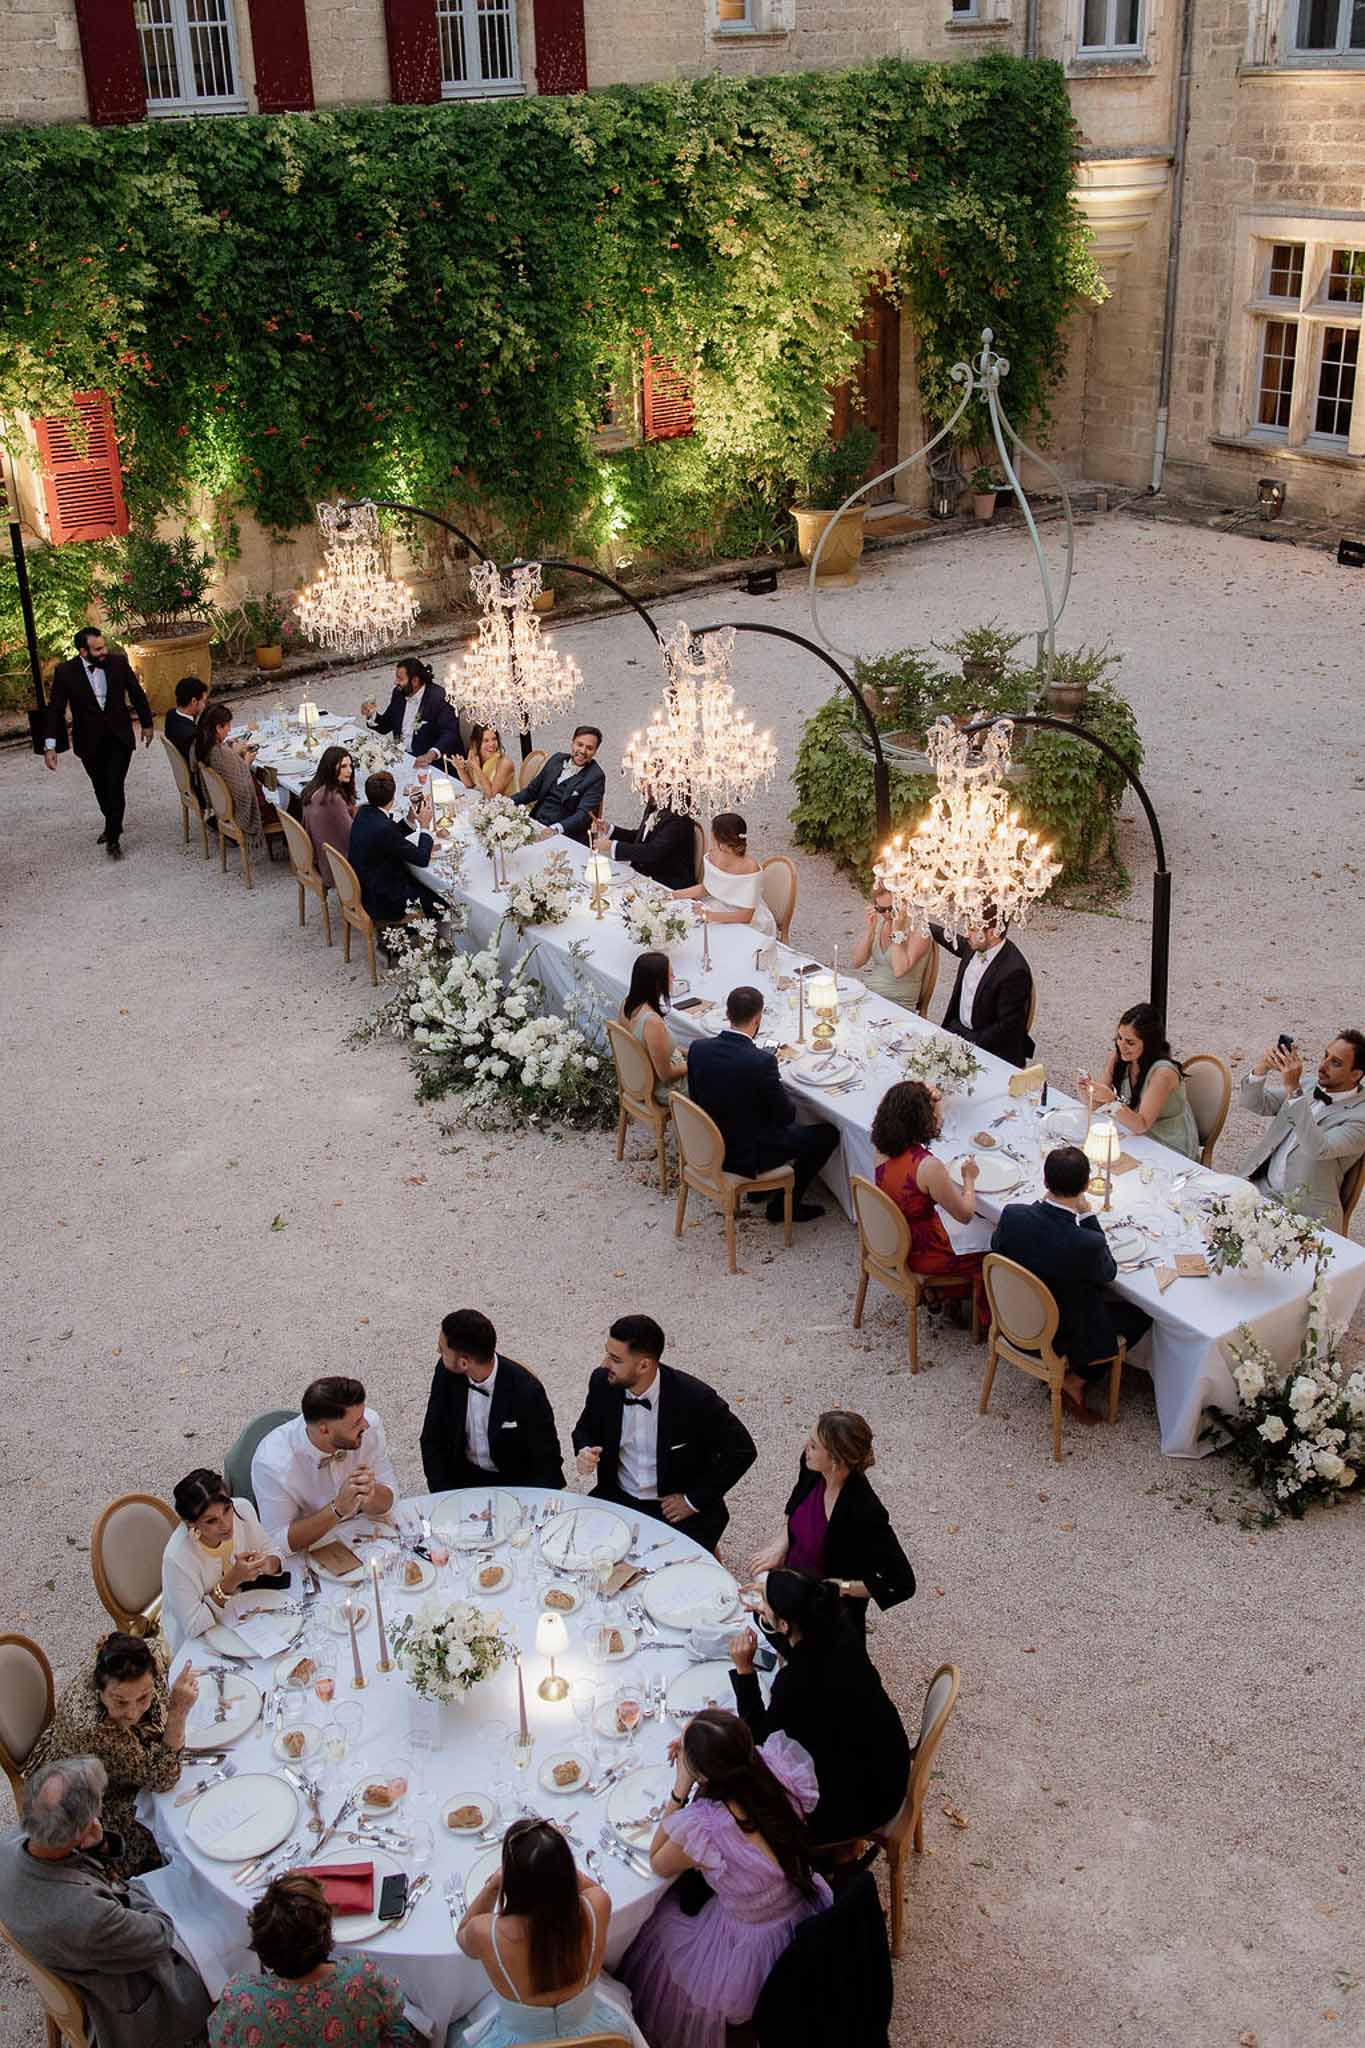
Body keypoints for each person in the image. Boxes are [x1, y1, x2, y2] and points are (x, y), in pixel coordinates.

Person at [618, 1709, 830, 2048]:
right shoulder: (771, 1769)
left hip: (752, 1950)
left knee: (657, 1925)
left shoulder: (709, 1828)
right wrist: (699, 1747)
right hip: (804, 1907)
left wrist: (679, 1788)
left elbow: (658, 1860)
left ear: (704, 1775)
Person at [0, 1758, 212, 2048]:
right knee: (220, 1925)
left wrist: (98, 1846)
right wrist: (124, 1885)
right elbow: (160, 1934)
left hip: (71, 1946)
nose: (100, 1814)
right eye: (95, 1813)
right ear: (80, 1833)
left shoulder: (13, 1843)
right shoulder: (85, 1915)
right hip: (132, 2003)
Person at [727, 1569, 911, 1845]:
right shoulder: (840, 1628)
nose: (761, 1605)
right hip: (889, 1763)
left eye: (765, 1603)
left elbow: (761, 1740)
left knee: (747, 1796)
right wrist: (764, 1613)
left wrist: (744, 1672)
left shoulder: (795, 1683)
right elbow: (800, 1644)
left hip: (863, 1804)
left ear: (787, 1623)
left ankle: (815, 1862)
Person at [990, 1144, 1152, 1420]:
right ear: (1086, 1185)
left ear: (1044, 1181)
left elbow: (998, 1247)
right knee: (1142, 1314)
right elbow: (1108, 1272)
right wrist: (1088, 1216)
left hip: (1010, 1321)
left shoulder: (1013, 1215)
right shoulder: (1087, 1242)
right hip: (1053, 1338)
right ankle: (1078, 1378)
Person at [572, 1314, 756, 1555]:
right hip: (618, 1495)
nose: (605, 1363)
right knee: (585, 1558)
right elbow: (585, 1428)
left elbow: (742, 1450)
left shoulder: (695, 1398)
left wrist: (692, 1500)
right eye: (608, 1353)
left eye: (615, 1359)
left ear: (644, 1365)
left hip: (674, 1509)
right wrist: (584, 1449)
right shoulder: (603, 1382)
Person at [455, 1818, 645, 2047]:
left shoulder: (485, 1932)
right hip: (596, 2038)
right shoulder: (598, 1905)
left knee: (455, 2026)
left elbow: (462, 1934)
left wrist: (494, 1885)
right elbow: (590, 1888)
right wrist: (556, 1868)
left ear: (512, 1880)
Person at [26, 1637, 197, 1880]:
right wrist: (177, 1712)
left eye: (143, 1698)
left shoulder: (145, 1659)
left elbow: (154, 1646)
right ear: (100, 1691)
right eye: (120, 1701)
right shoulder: (94, 1728)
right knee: (172, 1827)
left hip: (111, 1758)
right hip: (82, 1794)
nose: (133, 1713)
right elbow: (161, 1776)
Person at [748, 1411, 916, 1640]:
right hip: (792, 1584)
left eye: (815, 1445)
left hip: (825, 1611)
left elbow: (902, 1583)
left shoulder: (865, 1513)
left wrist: (843, 1587)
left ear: (836, 1460)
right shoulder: (812, 1466)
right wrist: (781, 1543)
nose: (806, 1446)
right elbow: (797, 1501)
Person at [687, 986, 840, 1225]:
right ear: (758, 1018)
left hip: (708, 1142)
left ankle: (761, 1191)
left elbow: (695, 1098)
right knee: (828, 1134)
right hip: (745, 1155)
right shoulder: (762, 1062)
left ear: (727, 1014)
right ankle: (783, 1206)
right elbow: (787, 1116)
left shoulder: (698, 1049)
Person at [209, 1872, 418, 2046]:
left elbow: (218, 2039)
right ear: (326, 1932)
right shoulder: (361, 1977)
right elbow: (394, 2013)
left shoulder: (241, 1999)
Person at [871, 1078, 986, 1312]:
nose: (938, 1118)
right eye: (934, 1115)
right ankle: (977, 1311)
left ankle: (942, 1295)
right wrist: (969, 1180)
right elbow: (965, 1215)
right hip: (925, 1251)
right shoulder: (927, 1167)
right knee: (994, 1241)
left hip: (895, 1239)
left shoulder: (881, 1149)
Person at [420, 1308, 565, 1494]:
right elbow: (431, 1439)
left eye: (442, 1349)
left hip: (514, 1485)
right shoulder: (445, 1373)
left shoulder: (527, 1391)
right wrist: (443, 1494)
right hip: (462, 1480)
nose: (438, 1351)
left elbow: (548, 1460)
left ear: (464, 1363)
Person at [251, 1375, 397, 1558]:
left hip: (366, 1539)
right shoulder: (272, 1462)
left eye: (363, 1415)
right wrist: (337, 1509)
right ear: (324, 1430)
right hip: (308, 1551)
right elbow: (277, 1542)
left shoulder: (370, 1426)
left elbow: (390, 1500)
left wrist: (372, 1494)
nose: (365, 1424)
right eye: (356, 1422)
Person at [43, 626, 154, 860]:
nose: (104, 651)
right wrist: (50, 746)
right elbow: (55, 711)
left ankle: (113, 838)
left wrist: (147, 723)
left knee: (115, 785)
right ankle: (112, 821)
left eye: (104, 646)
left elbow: (136, 693)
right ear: (83, 652)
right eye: (98, 649)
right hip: (89, 741)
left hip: (119, 737)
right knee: (100, 787)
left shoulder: (118, 662)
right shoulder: (65, 672)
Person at [1238, 1029, 1365, 1231]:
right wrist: (1263, 1067)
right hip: (1260, 1191)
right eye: (1326, 1055)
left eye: (1336, 1063)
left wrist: (1293, 1089)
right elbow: (1252, 1103)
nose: (1322, 1066)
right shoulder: (1308, 1086)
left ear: (1356, 1074)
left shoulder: (1360, 1118)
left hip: (1305, 1216)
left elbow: (1318, 1148)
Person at [160, 1467, 283, 1653]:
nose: (226, 1524)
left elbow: (274, 1552)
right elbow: (192, 1626)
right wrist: (230, 1582)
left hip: (245, 1618)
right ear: (191, 1523)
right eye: (211, 1521)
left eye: (227, 1510)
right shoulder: (177, 1557)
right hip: (198, 1642)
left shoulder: (242, 1509)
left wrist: (267, 1564)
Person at [1079, 1004, 1199, 1160]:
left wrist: (1111, 1101)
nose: (1122, 1046)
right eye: (1120, 1038)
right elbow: (1098, 1106)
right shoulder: (1118, 1058)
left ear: (1148, 1043)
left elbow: (1141, 1125)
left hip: (1167, 1143)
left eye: (1130, 1042)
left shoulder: (1162, 1074)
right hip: (1132, 1133)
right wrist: (1086, 1090)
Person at [931, 912, 1035, 1069]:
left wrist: (967, 1044)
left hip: (991, 1050)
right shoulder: (976, 946)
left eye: (972, 929)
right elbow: (955, 941)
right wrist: (925, 924)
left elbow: (1008, 1026)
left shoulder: (1014, 971)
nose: (967, 933)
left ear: (993, 933)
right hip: (957, 1031)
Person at [347, 768, 445, 922]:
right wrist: (425, 827)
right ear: (392, 798)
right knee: (441, 904)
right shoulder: (384, 828)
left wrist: (410, 818)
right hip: (383, 899)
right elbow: (421, 859)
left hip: (366, 885)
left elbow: (390, 836)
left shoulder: (364, 812)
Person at [670, 813, 776, 935]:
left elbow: (746, 916)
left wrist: (708, 915)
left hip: (746, 920)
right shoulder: (712, 856)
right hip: (717, 907)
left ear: (719, 841)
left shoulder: (750, 867)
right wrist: (674, 895)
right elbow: (707, 889)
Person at [509, 725, 606, 844]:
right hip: (536, 822)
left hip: (566, 835)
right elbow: (531, 791)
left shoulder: (596, 776)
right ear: (572, 743)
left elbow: (583, 816)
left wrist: (555, 829)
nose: (582, 751)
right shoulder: (556, 759)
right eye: (579, 744)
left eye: (589, 748)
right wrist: (506, 803)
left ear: (595, 751)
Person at [194, 702, 268, 856]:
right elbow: (242, 787)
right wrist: (246, 761)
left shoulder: (202, 746)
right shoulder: (220, 754)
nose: (229, 729)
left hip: (222, 806)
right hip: (238, 809)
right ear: (218, 728)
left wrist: (232, 750)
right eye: (227, 726)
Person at [362, 655, 462, 766]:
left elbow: (450, 733)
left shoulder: (440, 697)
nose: (396, 682)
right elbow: (386, 725)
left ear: (415, 680)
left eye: (400, 679)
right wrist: (372, 715)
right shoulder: (399, 693)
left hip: (431, 763)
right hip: (401, 757)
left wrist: (431, 754)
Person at [620, 950, 688, 1105]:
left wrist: (693, 1052)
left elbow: (656, 1048)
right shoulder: (652, 1022)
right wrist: (695, 1063)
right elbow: (666, 1075)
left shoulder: (627, 1003)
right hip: (664, 1089)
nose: (674, 979)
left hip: (642, 1074)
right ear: (658, 983)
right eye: (671, 975)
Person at [594, 793, 698, 893]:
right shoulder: (654, 807)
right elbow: (641, 837)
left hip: (669, 882)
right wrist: (610, 830)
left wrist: (612, 846)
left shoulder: (679, 818)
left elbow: (653, 851)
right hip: (646, 874)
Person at [850, 887, 933, 1012]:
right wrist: (870, 931)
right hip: (870, 993)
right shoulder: (880, 922)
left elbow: (899, 970)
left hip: (898, 1003)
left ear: (905, 903)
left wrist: (897, 931)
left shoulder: (919, 931)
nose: (887, 914)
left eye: (892, 909)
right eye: (881, 909)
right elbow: (856, 962)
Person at [300, 743, 358, 889]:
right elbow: (353, 836)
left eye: (350, 765)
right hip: (335, 867)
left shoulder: (313, 789)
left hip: (318, 857)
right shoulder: (333, 800)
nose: (349, 771)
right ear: (331, 768)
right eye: (343, 766)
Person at [457, 722, 516, 798]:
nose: (492, 744)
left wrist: (477, 768)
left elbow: (492, 796)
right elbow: (471, 785)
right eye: (486, 740)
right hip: (484, 804)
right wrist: (460, 769)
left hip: (507, 807)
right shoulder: (474, 754)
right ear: (476, 743)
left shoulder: (505, 763)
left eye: (494, 739)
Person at [163, 673, 208, 766]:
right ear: (194, 701)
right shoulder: (192, 735)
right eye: (203, 701)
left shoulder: (171, 715)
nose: (205, 705)